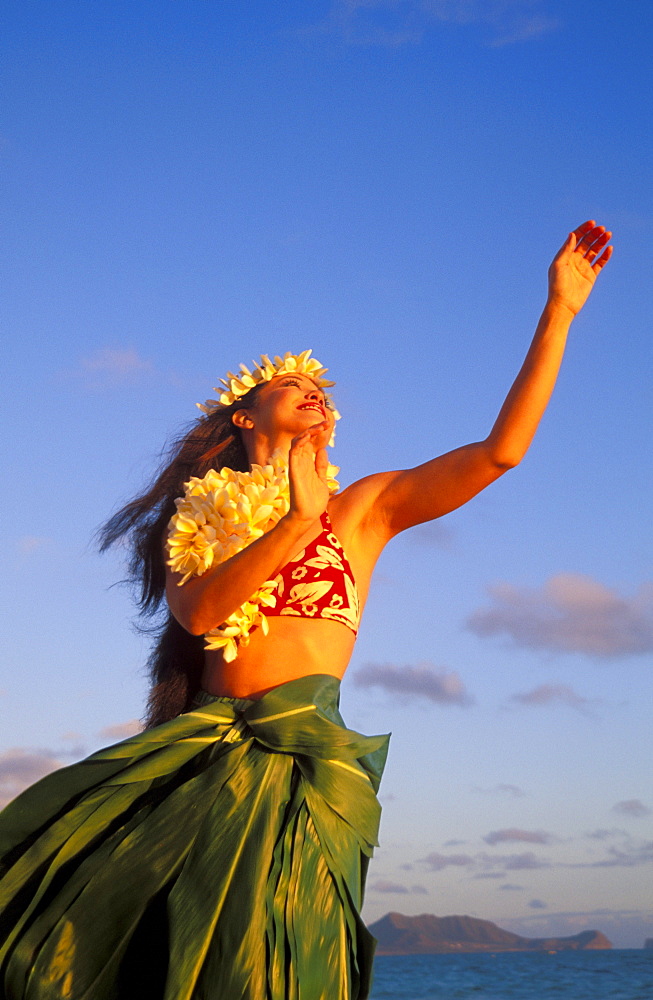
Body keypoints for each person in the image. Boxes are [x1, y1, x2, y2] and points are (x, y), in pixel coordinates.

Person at [0, 222, 612, 999]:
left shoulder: (361, 510)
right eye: (291, 384)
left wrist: (557, 312)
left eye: (321, 388)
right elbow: (198, 615)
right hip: (206, 760)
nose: (315, 389)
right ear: (244, 419)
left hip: (308, 763)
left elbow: (500, 451)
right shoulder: (199, 515)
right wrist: (291, 521)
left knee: (285, 961)